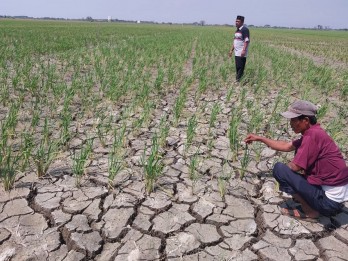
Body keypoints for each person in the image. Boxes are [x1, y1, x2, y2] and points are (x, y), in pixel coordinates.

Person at [244, 100, 348, 221]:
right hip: (334, 199)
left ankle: (310, 212)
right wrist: (260, 138)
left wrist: (287, 180)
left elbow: (295, 167)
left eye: (293, 120)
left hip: (328, 203)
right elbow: (286, 146)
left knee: (279, 169)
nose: (291, 124)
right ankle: (308, 200)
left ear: (306, 121)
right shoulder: (315, 132)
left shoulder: (311, 136)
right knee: (289, 175)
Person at [228, 15, 250, 82]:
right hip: (236, 52)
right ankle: (238, 79)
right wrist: (231, 50)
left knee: (240, 67)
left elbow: (246, 40)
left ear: (242, 22)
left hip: (241, 51)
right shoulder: (237, 30)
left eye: (238, 21)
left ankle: (238, 81)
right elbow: (235, 41)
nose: (236, 22)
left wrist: (244, 50)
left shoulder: (245, 30)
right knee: (237, 66)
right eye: (236, 21)